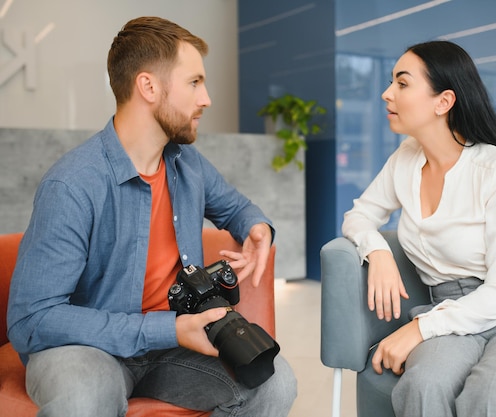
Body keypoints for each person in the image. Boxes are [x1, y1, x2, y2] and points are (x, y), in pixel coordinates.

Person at [7, 16, 296, 417]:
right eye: (194, 82)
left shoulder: (186, 164)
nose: (207, 98)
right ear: (148, 86)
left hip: (172, 349)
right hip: (89, 348)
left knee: (274, 381)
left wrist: (257, 228)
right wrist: (166, 329)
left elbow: (235, 206)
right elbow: (32, 319)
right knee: (85, 396)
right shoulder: (72, 184)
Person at [342, 40, 496, 417]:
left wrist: (419, 328)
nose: (386, 93)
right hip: (453, 309)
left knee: (491, 400)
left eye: (402, 83)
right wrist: (376, 251)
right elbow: (358, 216)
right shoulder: (405, 159)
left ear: (443, 102)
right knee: (422, 388)